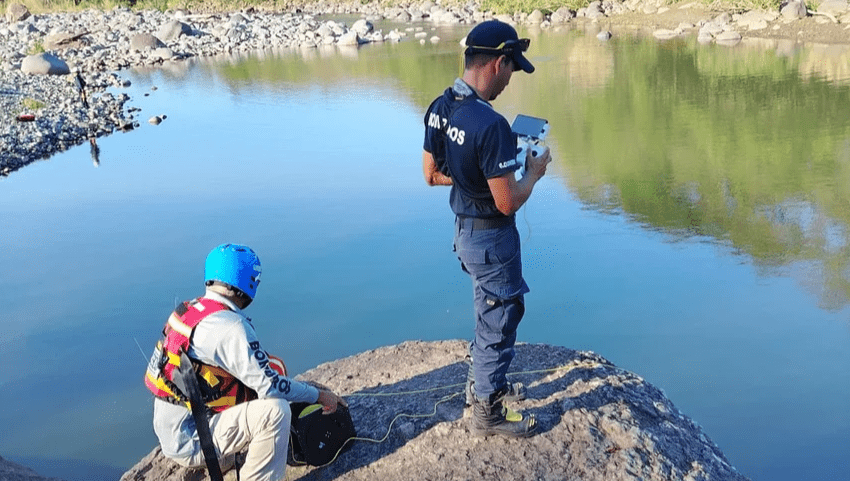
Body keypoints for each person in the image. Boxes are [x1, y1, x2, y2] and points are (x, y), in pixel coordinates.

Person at [421, 20, 551, 438]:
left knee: (486, 309)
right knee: (501, 314)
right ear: (498, 62)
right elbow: (507, 200)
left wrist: (476, 170)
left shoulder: (442, 107)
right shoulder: (490, 124)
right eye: (512, 69)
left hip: (464, 233)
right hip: (492, 239)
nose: (510, 80)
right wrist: (533, 172)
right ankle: (488, 412)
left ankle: (482, 384)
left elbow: (431, 173)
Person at [144, 243, 346, 481]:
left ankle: (231, 455)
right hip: (193, 439)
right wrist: (318, 395)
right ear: (247, 283)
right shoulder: (230, 327)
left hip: (175, 429)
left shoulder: (192, 310)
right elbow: (271, 386)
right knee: (276, 411)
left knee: (272, 373)